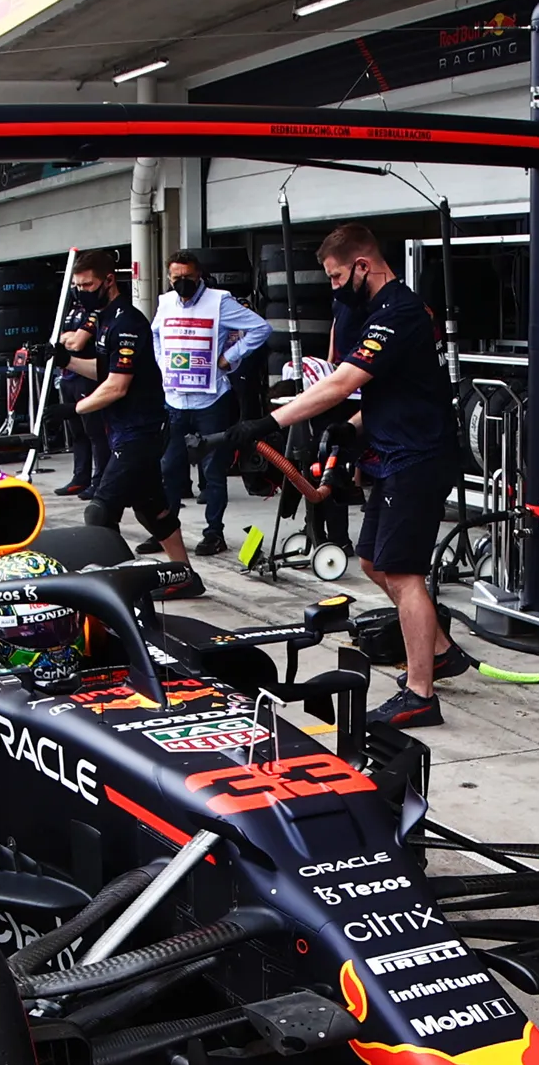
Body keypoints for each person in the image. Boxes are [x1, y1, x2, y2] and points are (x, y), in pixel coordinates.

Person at [272, 225, 469, 726]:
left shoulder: (400, 311)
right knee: (371, 562)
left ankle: (421, 695)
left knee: (404, 575)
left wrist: (270, 421)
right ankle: (441, 652)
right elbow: (387, 394)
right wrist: (350, 429)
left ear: (362, 265)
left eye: (337, 277)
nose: (334, 288)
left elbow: (342, 383)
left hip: (420, 456)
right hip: (394, 452)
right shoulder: (371, 311)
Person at [56, 250, 204, 601]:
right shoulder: (105, 319)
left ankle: (116, 588)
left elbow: (117, 386)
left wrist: (74, 409)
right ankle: (184, 576)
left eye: (87, 284)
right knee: (151, 507)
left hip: (142, 430)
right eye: (77, 285)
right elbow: (104, 372)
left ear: (109, 280)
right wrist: (66, 360)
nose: (81, 291)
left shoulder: (128, 322)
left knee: (100, 511)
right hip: (125, 428)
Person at [155, 248, 270, 557]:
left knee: (214, 472)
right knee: (168, 469)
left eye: (188, 278)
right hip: (176, 401)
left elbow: (260, 328)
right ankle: (166, 532)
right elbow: (156, 335)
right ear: (169, 277)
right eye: (176, 278)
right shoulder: (165, 302)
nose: (182, 283)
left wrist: (229, 358)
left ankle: (213, 533)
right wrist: (162, 365)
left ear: (200, 276)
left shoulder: (219, 301)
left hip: (211, 401)